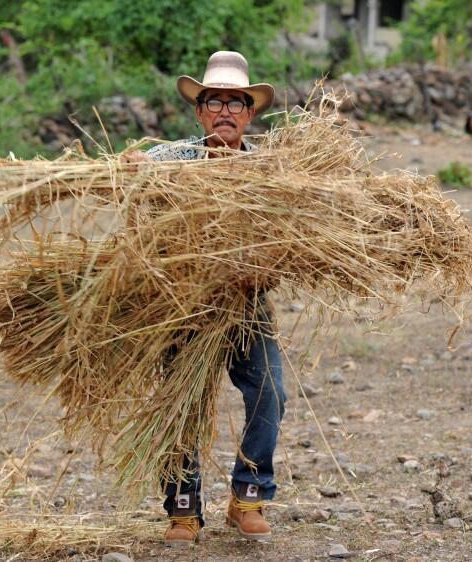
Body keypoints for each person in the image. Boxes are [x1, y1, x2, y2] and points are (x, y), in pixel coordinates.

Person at [125, 51, 285, 546]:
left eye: (236, 103)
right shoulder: (178, 157)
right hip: (183, 305)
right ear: (198, 111)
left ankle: (249, 497)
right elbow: (131, 164)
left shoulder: (271, 169)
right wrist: (133, 165)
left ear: (250, 113)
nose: (224, 112)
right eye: (213, 101)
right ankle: (183, 509)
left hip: (246, 304)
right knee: (181, 404)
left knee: (270, 392)